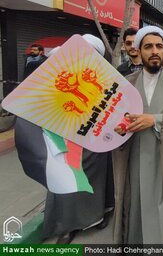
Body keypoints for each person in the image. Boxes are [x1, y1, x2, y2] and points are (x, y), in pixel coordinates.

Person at [112, 26, 163, 244]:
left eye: (159, 46)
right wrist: (118, 128)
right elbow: (112, 120)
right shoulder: (127, 83)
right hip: (135, 162)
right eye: (148, 46)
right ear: (139, 51)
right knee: (135, 215)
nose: (155, 51)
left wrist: (155, 120)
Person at [41, 34, 114, 244]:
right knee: (65, 179)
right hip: (65, 138)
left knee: (96, 181)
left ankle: (98, 215)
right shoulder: (60, 75)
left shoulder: (102, 79)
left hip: (95, 140)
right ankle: (66, 225)